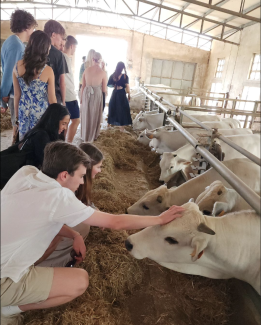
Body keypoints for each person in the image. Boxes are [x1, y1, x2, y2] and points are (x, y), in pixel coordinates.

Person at [1, 141, 184, 325]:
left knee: (67, 233)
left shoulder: (26, 173)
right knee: (80, 281)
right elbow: (115, 222)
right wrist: (160, 219)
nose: (82, 181)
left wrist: (75, 235)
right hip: (3, 280)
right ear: (64, 175)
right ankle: (9, 309)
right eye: (81, 176)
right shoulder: (59, 197)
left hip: (6, 259)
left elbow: (43, 218)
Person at [38, 142, 103, 267]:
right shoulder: (67, 188)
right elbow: (115, 221)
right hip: (38, 251)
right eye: (99, 167)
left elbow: (84, 203)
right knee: (83, 224)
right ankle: (59, 262)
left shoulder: (67, 181)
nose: (100, 171)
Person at [0, 104, 70, 189]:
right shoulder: (41, 136)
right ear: (54, 121)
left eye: (67, 124)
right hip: (19, 174)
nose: (65, 128)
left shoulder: (48, 134)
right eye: (63, 123)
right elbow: (46, 165)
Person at [1, 9, 37, 144]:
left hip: (12, 93)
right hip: (13, 94)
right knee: (18, 129)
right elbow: (9, 73)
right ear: (27, 27)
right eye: (32, 28)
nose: (32, 31)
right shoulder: (16, 46)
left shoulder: (11, 42)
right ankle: (15, 157)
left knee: (16, 128)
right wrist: (2, 97)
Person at [13, 30, 57, 139]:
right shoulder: (47, 70)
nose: (50, 49)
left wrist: (17, 118)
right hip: (41, 113)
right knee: (39, 144)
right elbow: (52, 101)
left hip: (24, 110)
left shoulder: (17, 66)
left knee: (24, 143)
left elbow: (17, 95)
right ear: (44, 48)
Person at [80, 52, 107, 142]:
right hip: (97, 94)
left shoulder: (86, 70)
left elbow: (83, 86)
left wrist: (81, 98)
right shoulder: (103, 73)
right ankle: (92, 136)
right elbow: (104, 90)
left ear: (92, 59)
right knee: (94, 115)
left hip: (86, 93)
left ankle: (84, 135)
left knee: (86, 114)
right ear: (100, 61)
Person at [44, 20, 69, 105]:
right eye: (61, 37)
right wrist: (64, 101)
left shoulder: (35, 51)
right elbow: (62, 82)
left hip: (38, 98)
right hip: (54, 97)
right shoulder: (58, 55)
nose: (61, 40)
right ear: (53, 35)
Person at [63, 36, 80, 143]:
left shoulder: (63, 57)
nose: (75, 50)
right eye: (75, 48)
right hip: (69, 95)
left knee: (66, 120)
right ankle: (67, 142)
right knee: (76, 120)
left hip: (67, 94)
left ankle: (64, 142)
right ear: (72, 46)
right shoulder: (65, 58)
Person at [107, 61, 132, 132]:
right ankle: (121, 128)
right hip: (121, 94)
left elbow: (110, 84)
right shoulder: (124, 76)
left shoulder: (113, 75)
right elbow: (127, 87)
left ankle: (108, 125)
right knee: (122, 109)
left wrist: (116, 84)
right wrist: (129, 95)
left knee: (112, 107)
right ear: (122, 68)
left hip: (114, 93)